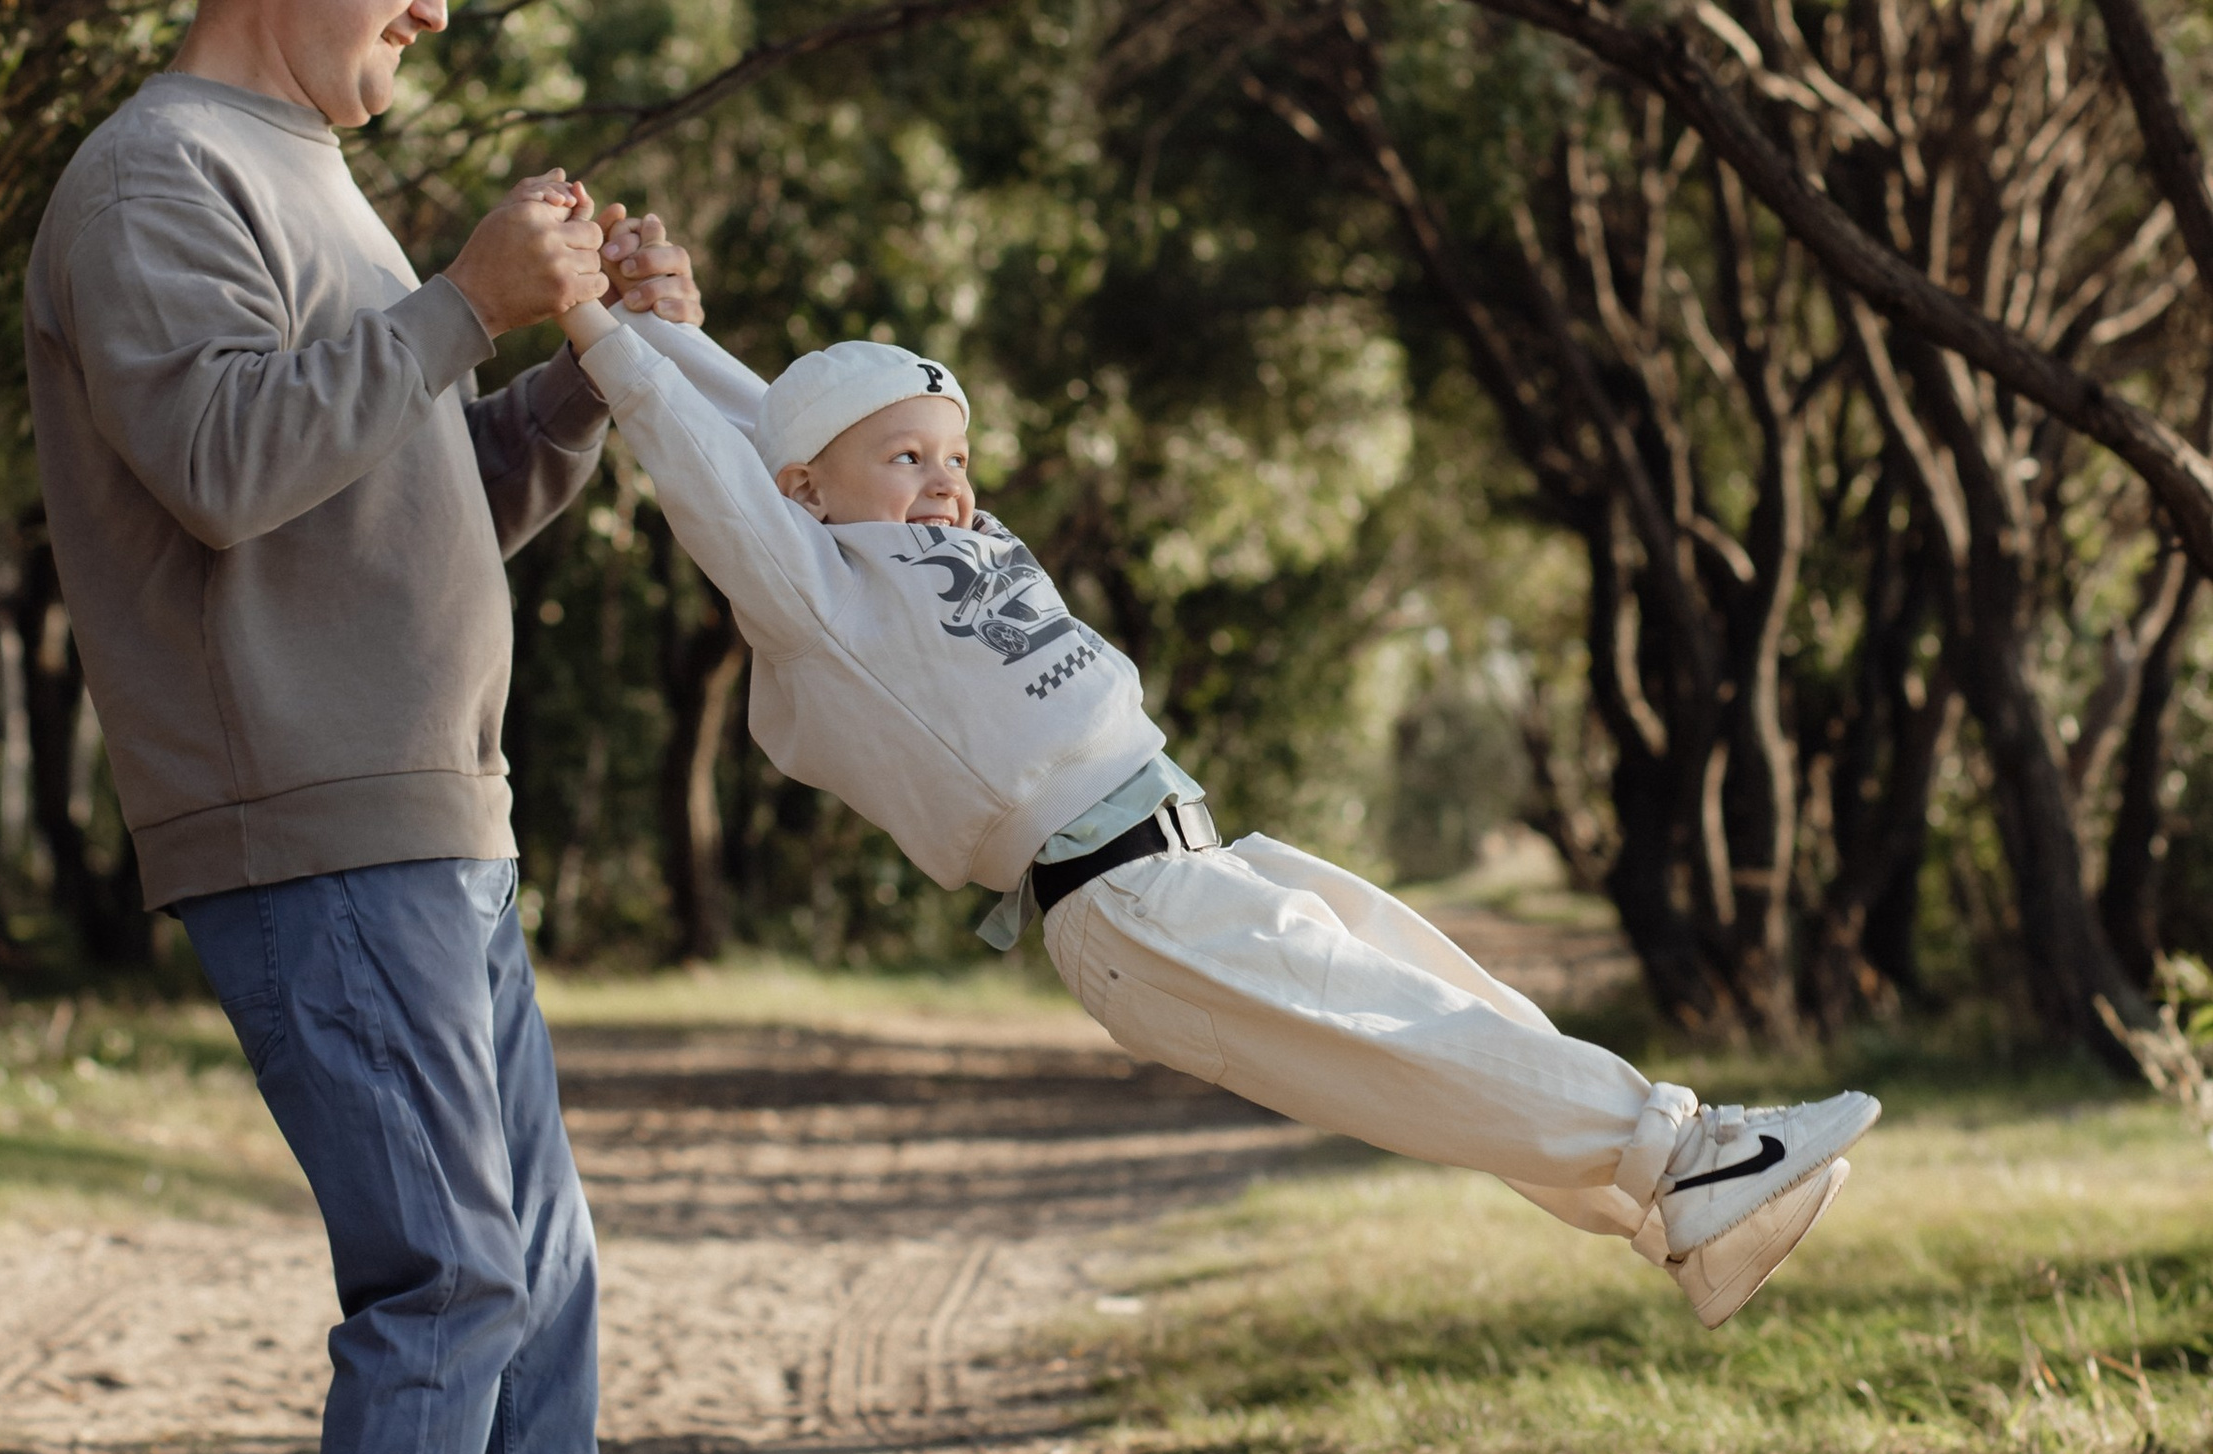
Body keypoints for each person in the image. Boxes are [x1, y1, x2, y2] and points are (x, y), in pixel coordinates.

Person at [24, 0, 828, 1454]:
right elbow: (224, 462)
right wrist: (465, 300)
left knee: (532, 1284)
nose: (436, 4)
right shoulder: (155, 177)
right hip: (306, 825)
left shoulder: (310, 178)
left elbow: (415, 494)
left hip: (435, 820)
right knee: (451, 1274)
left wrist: (577, 374)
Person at [560, 309, 1879, 1328]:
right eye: (909, 460)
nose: (945, 482)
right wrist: (601, 334)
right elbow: (732, 476)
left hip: (1195, 859)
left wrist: (667, 323)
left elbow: (790, 422)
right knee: (1414, 1038)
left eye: (955, 456)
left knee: (1458, 1016)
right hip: (1124, 897)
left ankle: (1684, 1221)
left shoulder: (903, 532)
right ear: (810, 497)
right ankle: (1687, 1153)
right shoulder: (821, 603)